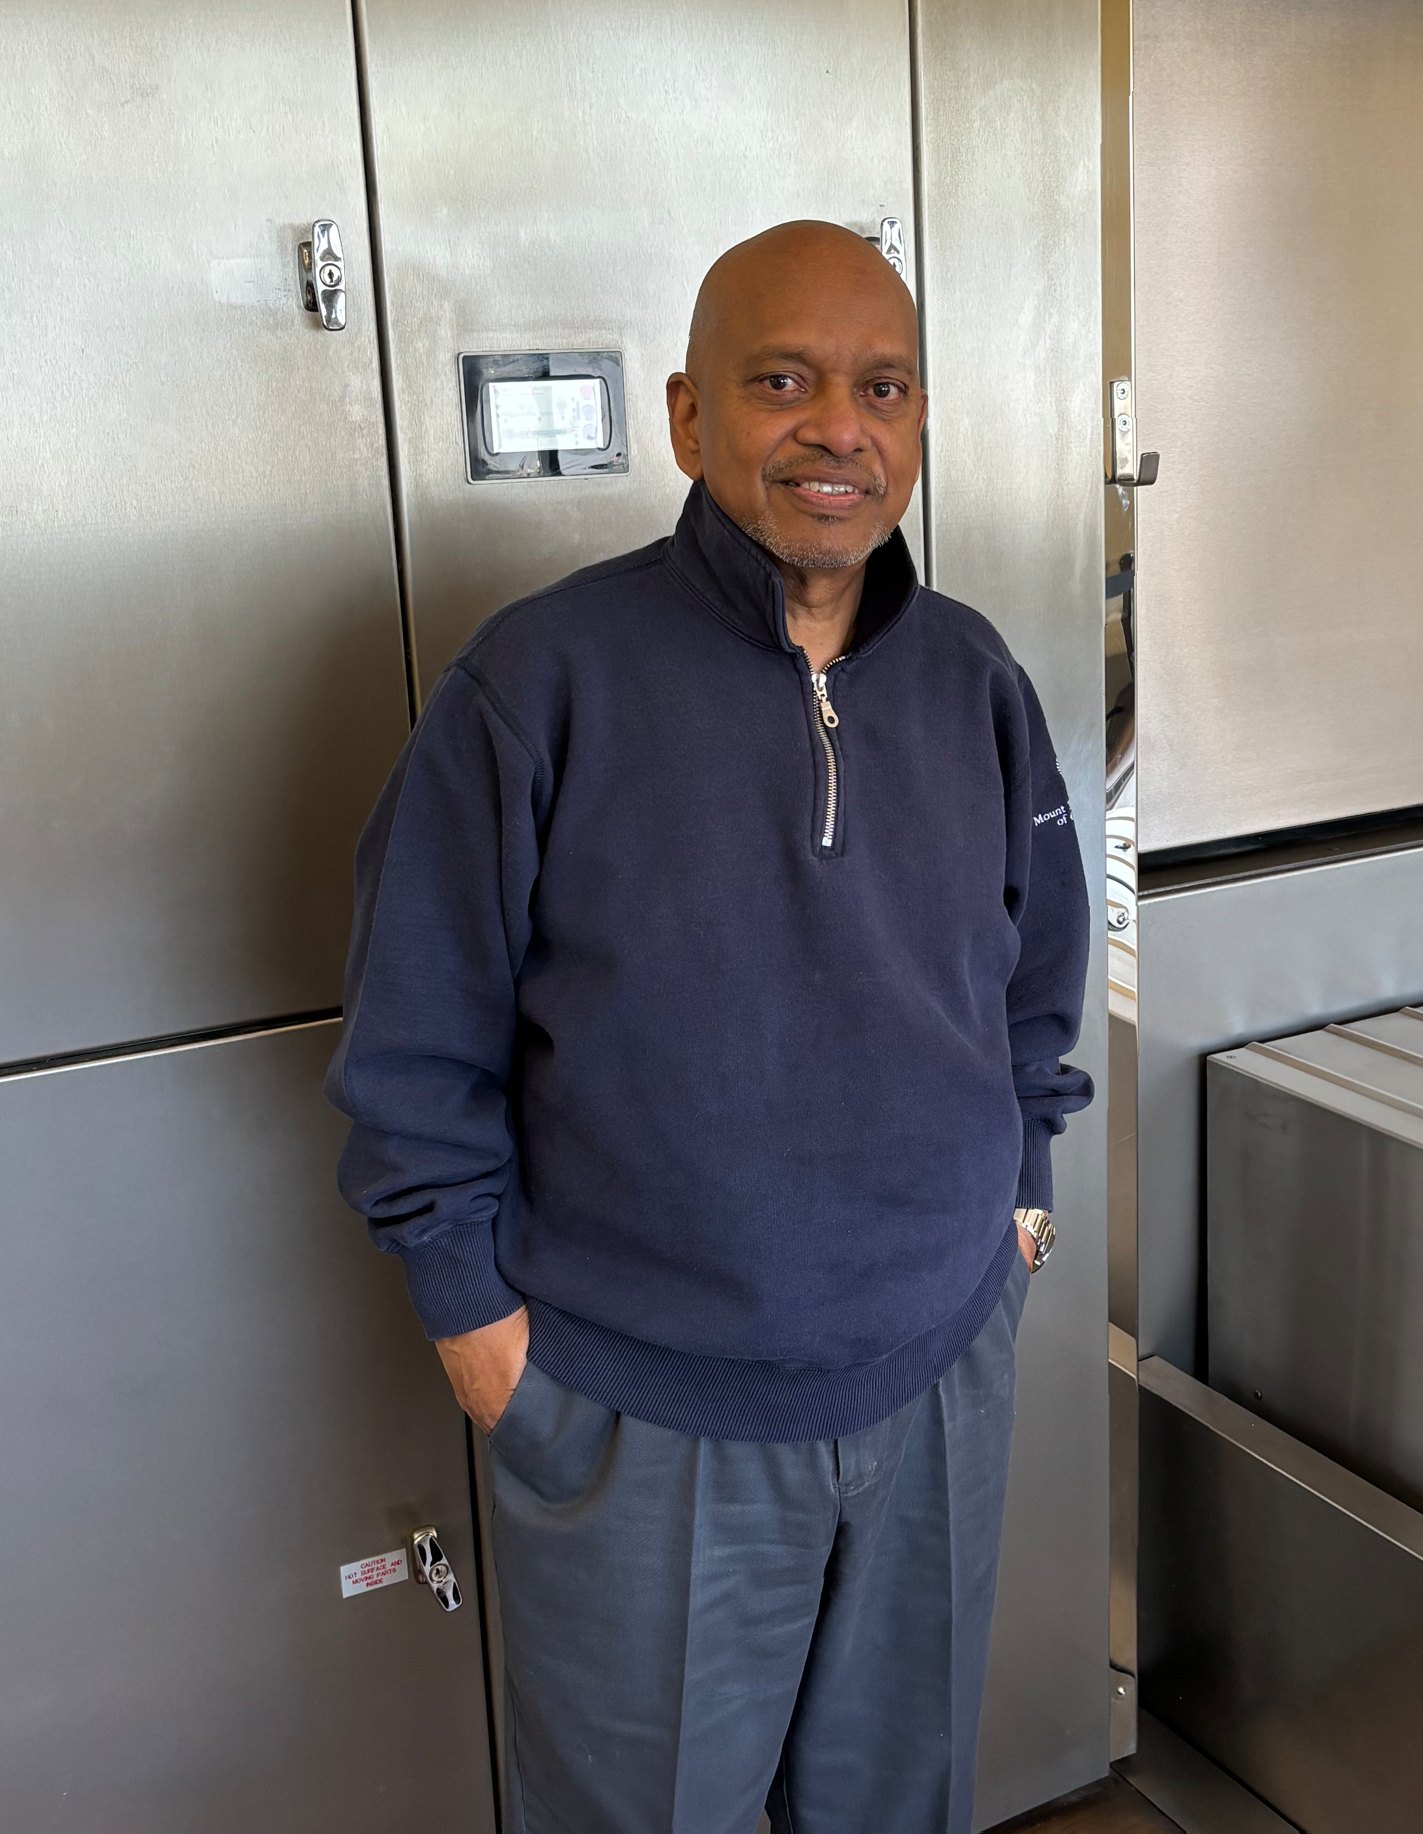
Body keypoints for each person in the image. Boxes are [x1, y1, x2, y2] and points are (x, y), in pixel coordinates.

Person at [326, 219, 1092, 1832]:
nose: (840, 429)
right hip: (643, 1415)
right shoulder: (540, 683)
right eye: (782, 382)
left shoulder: (973, 678)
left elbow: (1036, 974)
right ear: (689, 417)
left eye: (883, 388)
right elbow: (415, 1032)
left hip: (936, 1369)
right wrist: (477, 1322)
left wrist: (1020, 1194)